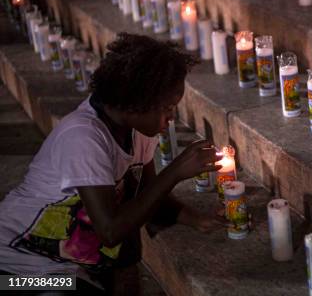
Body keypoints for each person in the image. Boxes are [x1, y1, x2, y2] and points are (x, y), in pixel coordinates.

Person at [0, 33, 222, 293]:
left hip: (66, 264)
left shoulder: (138, 131)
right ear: (135, 104)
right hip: (16, 266)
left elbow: (148, 196)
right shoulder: (83, 137)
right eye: (167, 108)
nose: (171, 118)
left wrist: (197, 219)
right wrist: (175, 171)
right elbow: (110, 231)